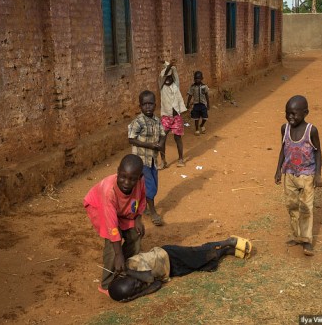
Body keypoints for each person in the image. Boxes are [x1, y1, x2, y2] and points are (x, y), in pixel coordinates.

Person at [108, 235, 253, 302]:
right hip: (172, 270)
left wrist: (129, 273)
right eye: (135, 289)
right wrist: (137, 295)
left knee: (199, 253)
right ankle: (225, 251)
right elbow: (157, 284)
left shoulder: (131, 265)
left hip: (170, 255)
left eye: (134, 284)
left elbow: (150, 278)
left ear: (124, 276)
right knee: (203, 265)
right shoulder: (137, 282)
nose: (138, 286)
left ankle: (227, 242)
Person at [83, 154, 147, 295]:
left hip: (121, 210)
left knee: (136, 234)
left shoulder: (140, 182)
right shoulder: (108, 191)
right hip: (100, 206)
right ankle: (106, 283)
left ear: (139, 177)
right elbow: (112, 226)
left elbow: (141, 200)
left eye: (132, 179)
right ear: (117, 172)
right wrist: (118, 254)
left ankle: (125, 268)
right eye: (123, 177)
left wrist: (137, 219)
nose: (126, 182)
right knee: (113, 245)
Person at [274, 95, 322, 256]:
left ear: (305, 112)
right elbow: (283, 148)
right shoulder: (285, 128)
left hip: (307, 175)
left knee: (306, 207)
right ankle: (297, 236)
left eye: (294, 114)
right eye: (287, 113)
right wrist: (278, 170)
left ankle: (307, 240)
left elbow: (318, 152)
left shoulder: (311, 131)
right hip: (289, 174)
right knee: (292, 206)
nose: (290, 117)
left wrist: (318, 175)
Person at [128, 90, 166, 226]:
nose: (148, 107)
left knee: (154, 184)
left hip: (153, 160)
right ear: (140, 106)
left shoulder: (156, 120)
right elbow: (131, 139)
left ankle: (142, 206)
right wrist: (149, 145)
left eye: (151, 104)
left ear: (155, 105)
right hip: (141, 160)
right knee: (150, 186)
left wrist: (160, 144)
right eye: (145, 104)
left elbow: (163, 134)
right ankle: (153, 213)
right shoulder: (138, 122)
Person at [158, 60, 187, 167]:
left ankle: (181, 159)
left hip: (176, 117)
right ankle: (163, 161)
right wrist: (169, 65)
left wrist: (169, 65)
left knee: (177, 138)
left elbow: (174, 72)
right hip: (166, 117)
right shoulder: (161, 86)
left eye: (170, 77)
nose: (168, 79)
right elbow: (163, 75)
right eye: (166, 77)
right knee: (162, 138)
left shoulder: (176, 85)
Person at [186, 70, 210, 136]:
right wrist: (187, 104)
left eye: (198, 78)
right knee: (196, 118)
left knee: (205, 117)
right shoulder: (193, 87)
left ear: (202, 78)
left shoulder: (204, 86)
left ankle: (202, 125)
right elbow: (190, 95)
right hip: (196, 105)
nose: (197, 80)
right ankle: (196, 130)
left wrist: (208, 104)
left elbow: (207, 95)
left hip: (203, 104)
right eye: (195, 79)